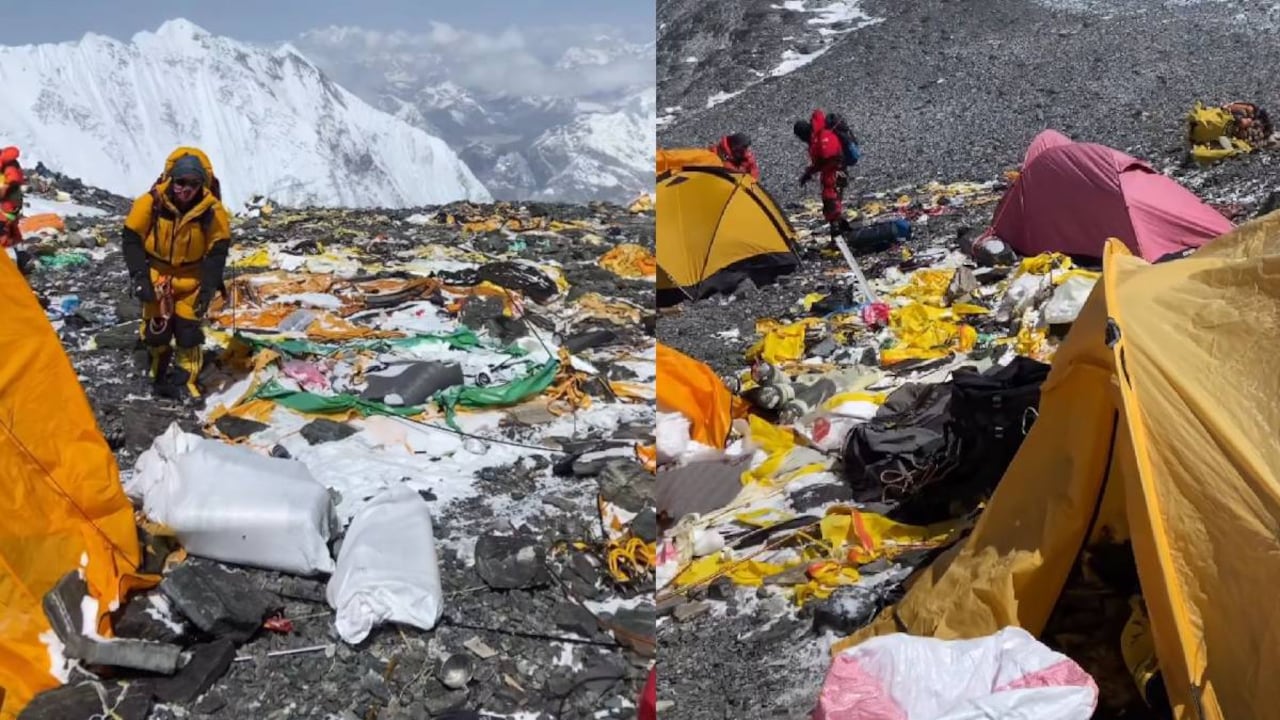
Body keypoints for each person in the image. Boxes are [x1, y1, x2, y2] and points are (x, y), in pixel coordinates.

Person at [121, 147, 230, 402]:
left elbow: (217, 250)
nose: (186, 190)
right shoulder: (151, 202)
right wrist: (140, 277)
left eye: (193, 184)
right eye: (181, 182)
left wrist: (208, 287)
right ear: (171, 179)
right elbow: (131, 238)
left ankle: (185, 380)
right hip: (157, 276)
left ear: (202, 184)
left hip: (192, 279)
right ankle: (157, 373)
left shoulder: (211, 210)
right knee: (156, 331)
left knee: (188, 332)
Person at [794, 110, 853, 245]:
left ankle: (838, 234)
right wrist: (808, 173)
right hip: (834, 172)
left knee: (831, 200)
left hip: (834, 173)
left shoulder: (821, 137)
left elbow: (828, 158)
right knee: (833, 200)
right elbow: (820, 161)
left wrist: (812, 171)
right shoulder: (816, 137)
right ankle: (841, 230)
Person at [0, 145, 25, 251]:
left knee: (3, 226)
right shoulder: (10, 164)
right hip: (12, 201)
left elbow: (9, 184)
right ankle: (19, 248)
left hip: (9, 202)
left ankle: (8, 249)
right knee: (11, 226)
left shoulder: (9, 167)